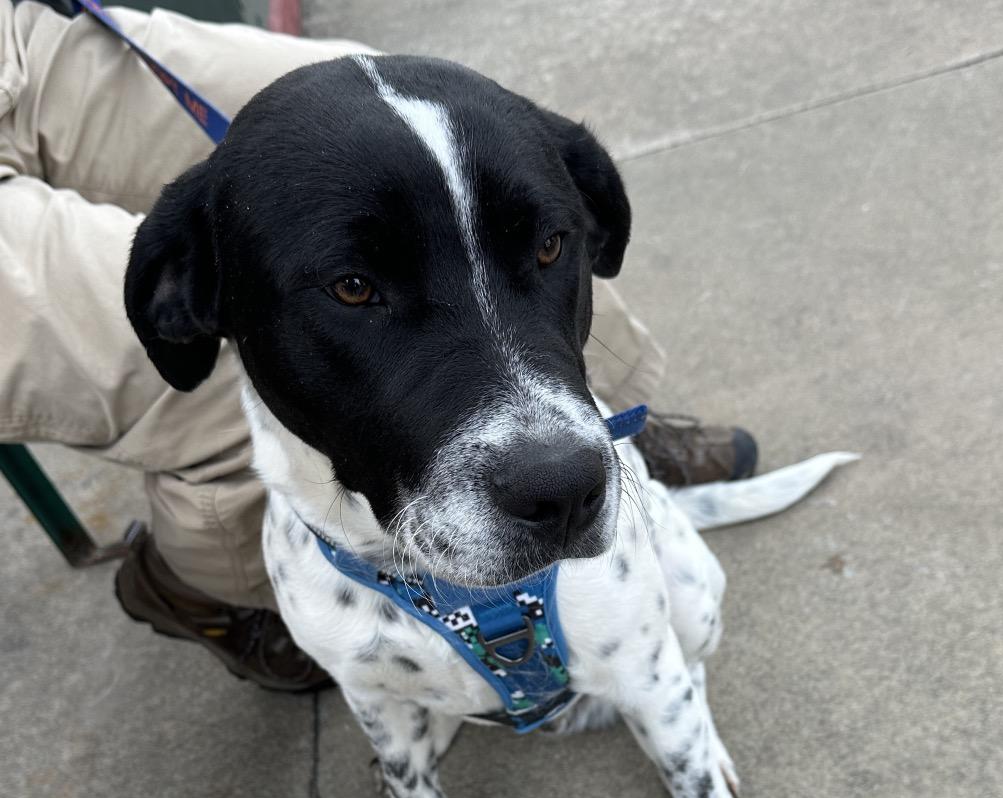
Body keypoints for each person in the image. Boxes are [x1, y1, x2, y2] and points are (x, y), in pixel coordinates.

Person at [0, 1, 757, 692]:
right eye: (356, 288)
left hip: (17, 40)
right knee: (208, 405)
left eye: (557, 246)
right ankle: (198, 580)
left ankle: (623, 432)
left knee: (437, 144)